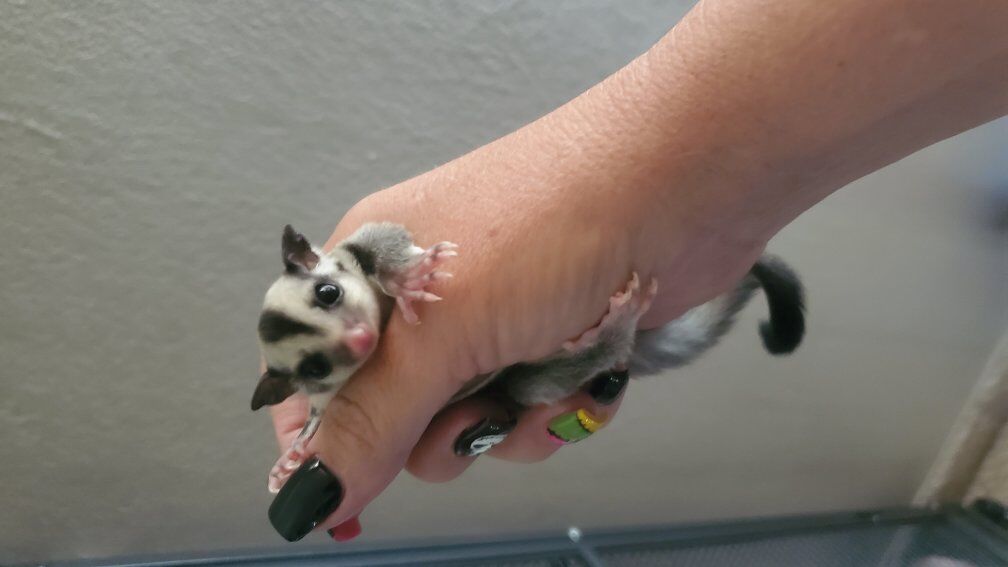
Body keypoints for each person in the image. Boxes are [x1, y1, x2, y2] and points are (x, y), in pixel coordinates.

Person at [264, 0, 1008, 542]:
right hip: (565, 349)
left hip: (565, 325)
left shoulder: (367, 257)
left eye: (333, 302)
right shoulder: (330, 387)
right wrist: (314, 447)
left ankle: (648, 313)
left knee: (535, 395)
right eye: (329, 359)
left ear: (315, 262)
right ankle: (640, 322)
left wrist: (414, 274)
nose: (357, 340)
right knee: (539, 396)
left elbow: (388, 246)